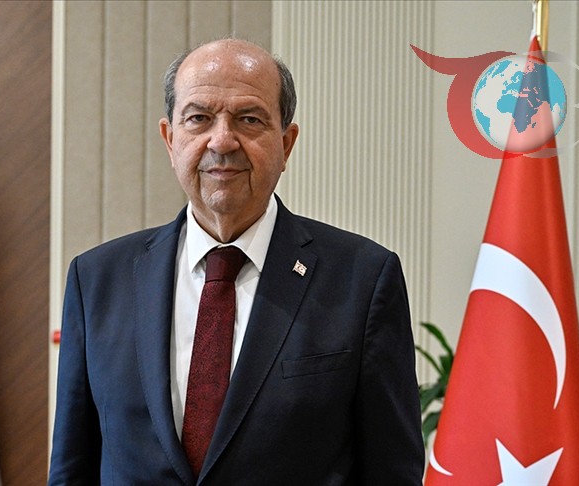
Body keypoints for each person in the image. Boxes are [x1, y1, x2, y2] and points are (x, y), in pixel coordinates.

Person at [48, 38, 424, 485]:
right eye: (199, 118)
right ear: (170, 139)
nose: (222, 140)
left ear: (286, 143)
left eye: (249, 119)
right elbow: (72, 469)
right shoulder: (96, 281)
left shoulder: (362, 280)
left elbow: (392, 473)